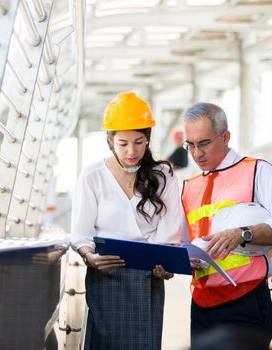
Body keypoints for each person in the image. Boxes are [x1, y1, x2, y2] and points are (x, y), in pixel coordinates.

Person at [180, 102, 272, 347]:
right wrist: (184, 257)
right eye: (190, 145)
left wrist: (242, 234)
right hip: (202, 305)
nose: (196, 153)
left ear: (225, 137)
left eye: (204, 143)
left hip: (246, 302)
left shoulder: (257, 171)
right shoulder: (188, 186)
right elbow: (184, 242)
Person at [71, 92, 181, 350]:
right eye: (123, 143)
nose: (132, 151)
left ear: (148, 139)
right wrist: (90, 256)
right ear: (109, 140)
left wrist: (167, 262)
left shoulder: (163, 175)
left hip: (149, 278)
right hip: (106, 276)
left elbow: (170, 233)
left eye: (139, 142)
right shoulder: (92, 177)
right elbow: (80, 234)